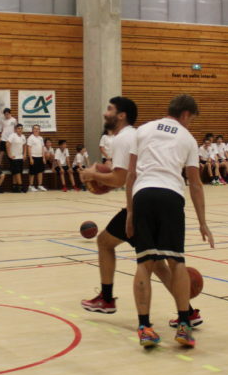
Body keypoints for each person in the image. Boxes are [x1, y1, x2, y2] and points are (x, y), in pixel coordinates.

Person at [80, 97, 203, 331]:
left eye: (109, 109)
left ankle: (109, 300)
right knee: (158, 262)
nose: (105, 113)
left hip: (141, 202)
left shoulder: (127, 137)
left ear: (122, 115)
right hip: (155, 198)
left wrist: (93, 176)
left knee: (124, 251)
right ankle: (187, 313)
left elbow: (121, 178)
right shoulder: (131, 136)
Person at [125, 94, 214, 349]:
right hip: (170, 197)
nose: (190, 123)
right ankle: (184, 325)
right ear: (185, 114)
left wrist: (130, 213)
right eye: (191, 119)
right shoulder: (187, 138)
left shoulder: (142, 130)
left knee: (145, 263)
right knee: (176, 262)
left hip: (143, 195)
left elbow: (131, 175)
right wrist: (203, 222)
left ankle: (145, 327)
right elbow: (195, 184)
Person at [7, 123, 27, 192]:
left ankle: (15, 187)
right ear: (15, 129)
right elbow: (7, 144)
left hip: (20, 157)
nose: (20, 130)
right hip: (14, 157)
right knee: (17, 172)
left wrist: (24, 154)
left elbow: (24, 145)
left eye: (21, 128)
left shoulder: (23, 136)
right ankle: (21, 186)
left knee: (16, 172)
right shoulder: (12, 135)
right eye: (18, 128)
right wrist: (9, 154)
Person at [27, 124, 46, 191]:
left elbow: (42, 148)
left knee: (40, 172)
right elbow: (29, 148)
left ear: (39, 130)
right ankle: (30, 186)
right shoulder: (30, 138)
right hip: (33, 157)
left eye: (37, 129)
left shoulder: (41, 138)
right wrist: (30, 158)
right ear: (32, 130)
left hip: (40, 157)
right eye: (35, 129)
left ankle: (39, 185)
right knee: (32, 172)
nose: (36, 130)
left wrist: (43, 157)